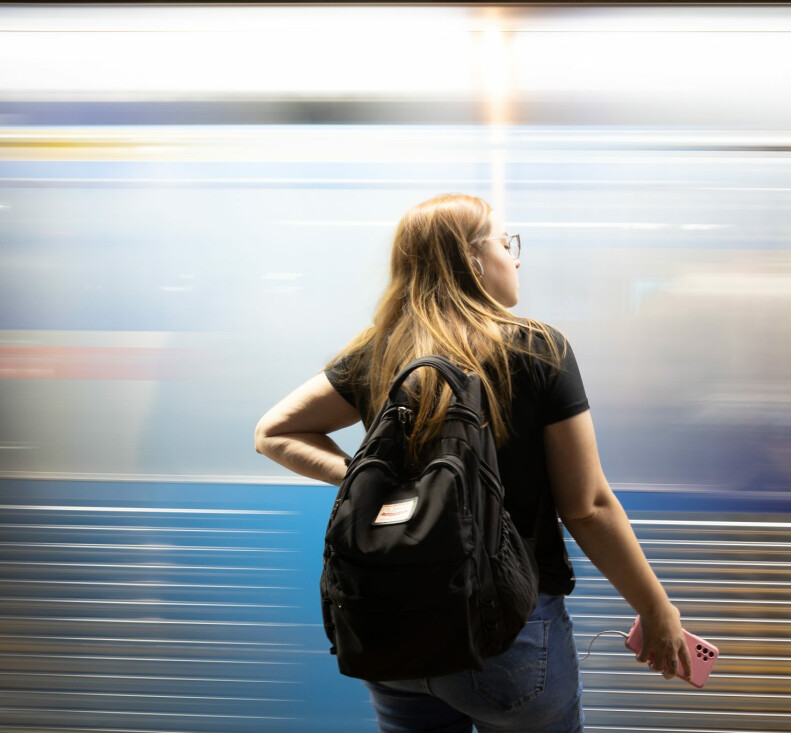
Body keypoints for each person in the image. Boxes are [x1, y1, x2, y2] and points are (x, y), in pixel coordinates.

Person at [254, 193, 690, 732]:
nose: (516, 259)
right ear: (473, 258)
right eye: (507, 244)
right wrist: (655, 607)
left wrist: (369, 480)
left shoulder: (379, 352)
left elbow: (274, 432)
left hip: (394, 631)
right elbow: (588, 507)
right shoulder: (536, 349)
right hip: (506, 631)